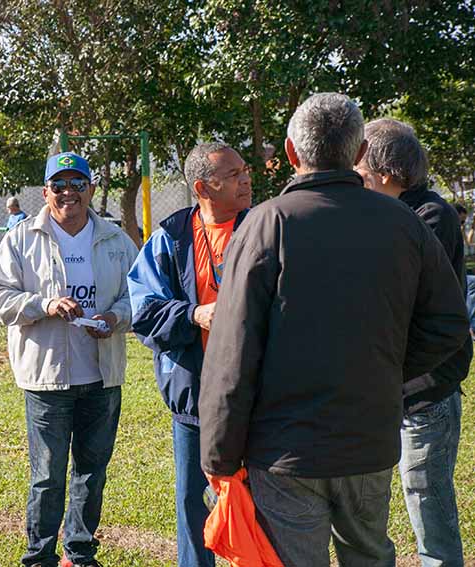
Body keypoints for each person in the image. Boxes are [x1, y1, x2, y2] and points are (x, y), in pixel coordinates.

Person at [198, 93, 470, 567]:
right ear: (360, 151)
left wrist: (218, 455)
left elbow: (232, 350)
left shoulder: (266, 224)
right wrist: (384, 368)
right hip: (366, 439)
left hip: (286, 448)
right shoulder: (403, 223)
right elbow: (449, 324)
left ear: (290, 152)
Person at [0, 152, 138, 567]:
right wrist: (45, 304)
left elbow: (139, 295)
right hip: (46, 378)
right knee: (47, 475)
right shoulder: (21, 238)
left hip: (102, 377)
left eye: (77, 184)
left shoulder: (115, 240)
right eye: (59, 185)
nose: (68, 193)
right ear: (45, 192)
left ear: (91, 189)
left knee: (92, 471)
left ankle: (80, 552)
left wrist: (114, 317)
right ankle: (39, 556)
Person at [127, 142, 251, 567]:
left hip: (257, 399)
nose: (245, 179)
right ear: (203, 188)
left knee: (262, 503)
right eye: (233, 174)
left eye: (245, 170)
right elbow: (143, 312)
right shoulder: (171, 237)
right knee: (193, 504)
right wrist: (195, 315)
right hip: (195, 401)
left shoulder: (263, 228)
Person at [356, 118, 472, 567]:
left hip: (426, 390)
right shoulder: (388, 212)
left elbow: (398, 294)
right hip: (390, 388)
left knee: (427, 504)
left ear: (386, 173)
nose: (357, 179)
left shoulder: (429, 215)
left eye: (362, 170)